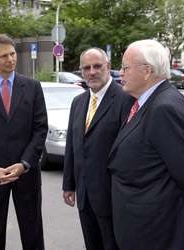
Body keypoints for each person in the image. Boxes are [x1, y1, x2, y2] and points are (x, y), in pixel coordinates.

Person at [108, 39, 184, 250]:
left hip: (155, 232)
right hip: (143, 226)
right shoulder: (149, 101)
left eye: (125, 67)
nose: (120, 73)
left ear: (147, 71)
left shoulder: (164, 107)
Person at [0, 34, 48, 250]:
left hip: (27, 174)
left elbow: (40, 130)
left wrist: (24, 164)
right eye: (4, 56)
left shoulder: (32, 87)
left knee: (32, 235)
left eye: (12, 54)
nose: (11, 59)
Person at [62, 48, 134, 250]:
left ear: (108, 67)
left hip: (112, 197)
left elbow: (128, 152)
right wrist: (69, 184)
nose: (92, 72)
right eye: (87, 68)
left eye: (97, 66)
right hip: (85, 197)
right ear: (81, 71)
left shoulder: (125, 99)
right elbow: (73, 146)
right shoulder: (78, 102)